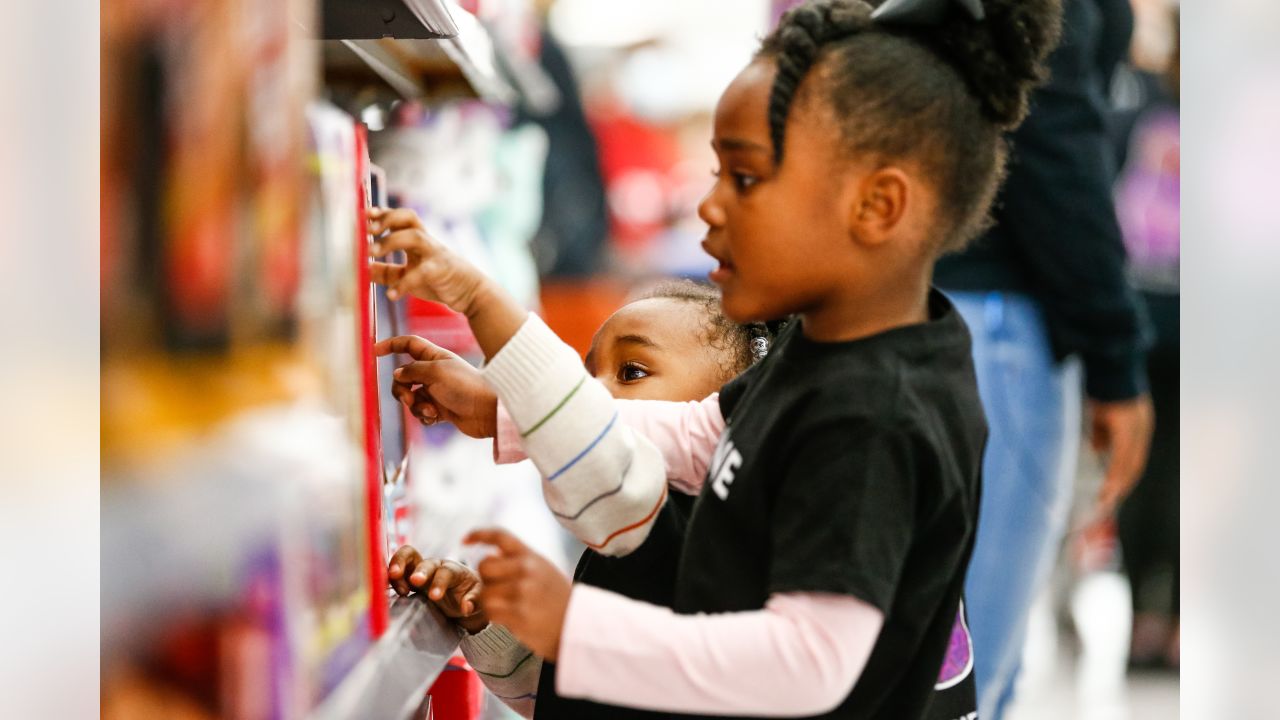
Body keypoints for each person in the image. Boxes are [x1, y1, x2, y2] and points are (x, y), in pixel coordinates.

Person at [367, 0, 1061, 716]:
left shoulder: (874, 413)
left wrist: (577, 628)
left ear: (876, 206)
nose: (709, 206)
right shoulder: (818, 358)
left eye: (747, 178)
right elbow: (679, 438)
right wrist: (499, 406)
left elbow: (805, 661)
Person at [388, 280, 775, 719]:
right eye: (588, 379)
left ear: (709, 416)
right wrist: (485, 622)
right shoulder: (620, 541)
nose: (594, 396)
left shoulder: (696, 546)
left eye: (631, 372)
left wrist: (478, 302)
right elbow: (573, 690)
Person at [930, 0, 1156, 714]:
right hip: (991, 315)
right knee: (974, 662)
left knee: (943, 646)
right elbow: (1054, 153)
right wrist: (1116, 359)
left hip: (922, 297)